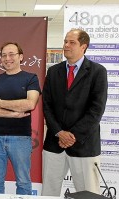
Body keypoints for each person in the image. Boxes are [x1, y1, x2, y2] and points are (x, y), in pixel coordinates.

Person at [41, 29, 108, 196]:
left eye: (72, 42)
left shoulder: (97, 71)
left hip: (83, 145)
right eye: (65, 41)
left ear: (83, 46)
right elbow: (47, 105)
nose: (66, 45)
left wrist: (72, 136)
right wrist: (59, 132)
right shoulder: (53, 71)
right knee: (49, 191)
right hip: (54, 143)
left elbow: (96, 110)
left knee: (88, 193)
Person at [0, 42, 41, 195]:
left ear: (20, 57)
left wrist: (0, 103)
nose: (7, 58)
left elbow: (29, 104)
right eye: (3, 55)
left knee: (23, 181)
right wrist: (13, 113)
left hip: (20, 138)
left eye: (11, 54)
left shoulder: (31, 78)